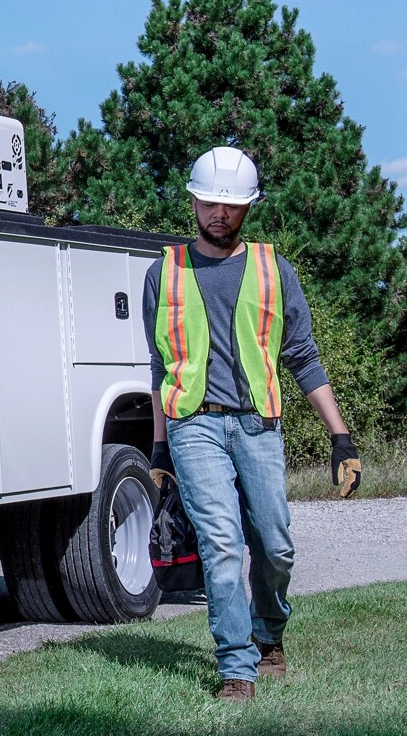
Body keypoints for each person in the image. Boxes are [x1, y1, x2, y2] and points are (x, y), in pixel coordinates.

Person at [141, 146, 363, 703]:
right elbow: (159, 368)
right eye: (211, 203)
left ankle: (269, 633)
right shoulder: (162, 273)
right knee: (222, 543)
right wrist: (158, 452)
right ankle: (236, 667)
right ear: (193, 201)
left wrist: (341, 436)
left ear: (248, 208)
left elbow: (303, 357)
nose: (220, 214)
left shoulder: (272, 269)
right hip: (194, 425)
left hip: (258, 424)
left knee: (275, 543)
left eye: (232, 206)